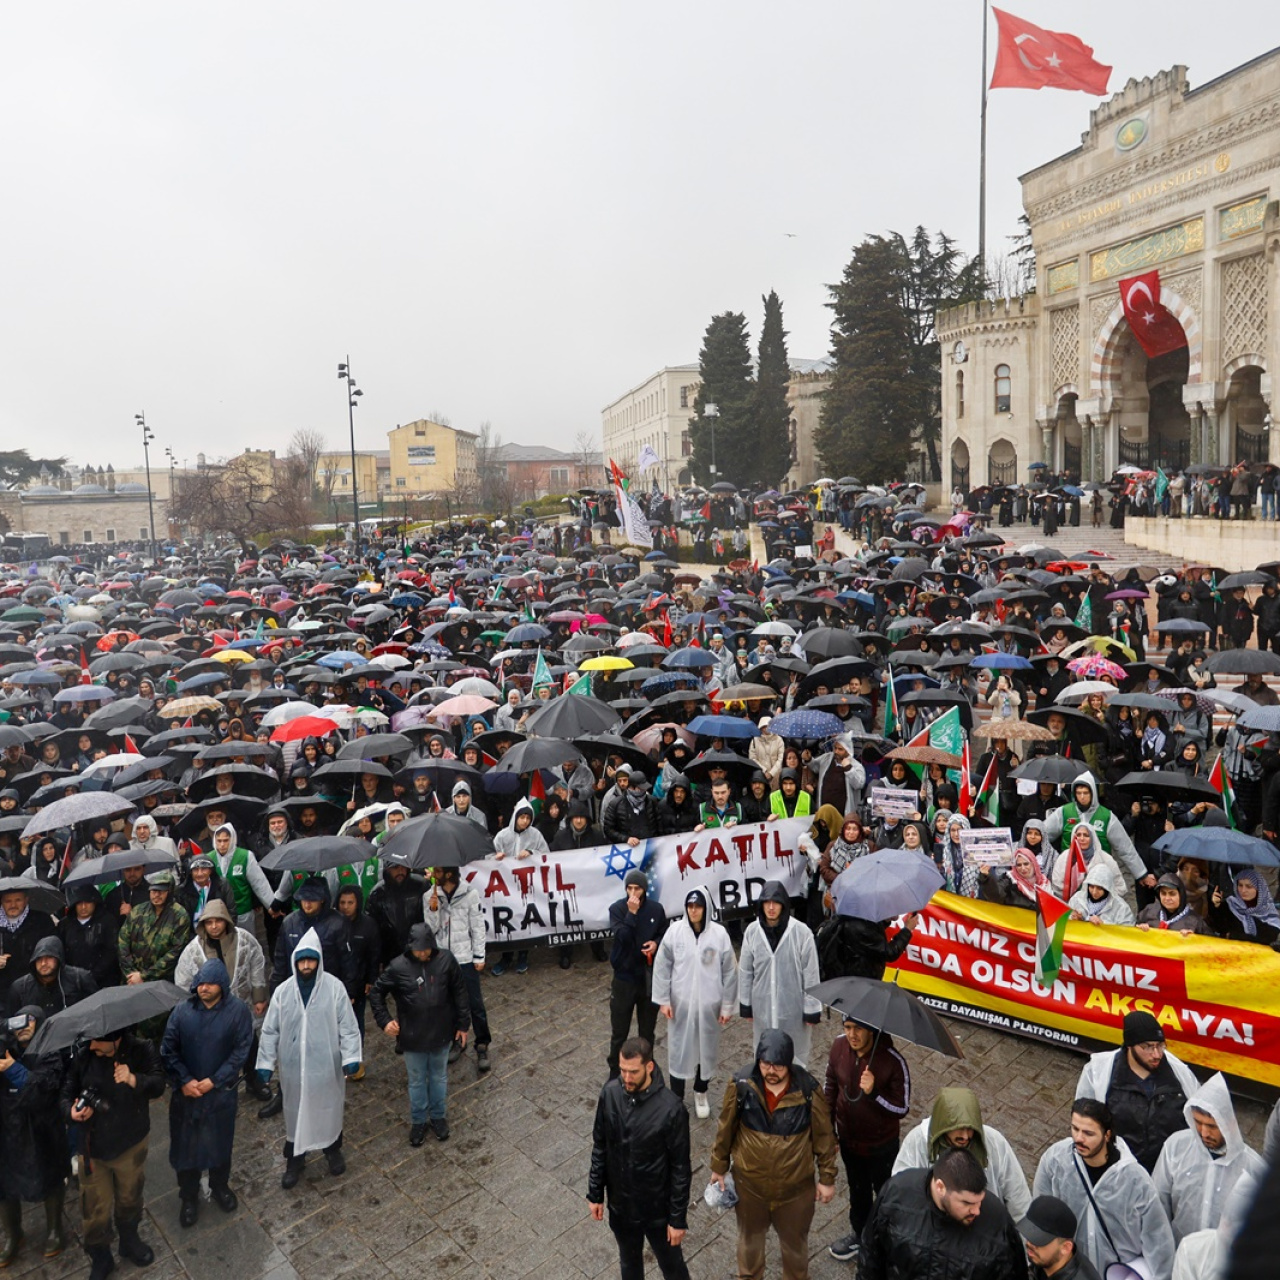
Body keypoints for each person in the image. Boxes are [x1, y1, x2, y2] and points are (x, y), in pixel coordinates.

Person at [709, 1029, 838, 1280]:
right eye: (766, 1063)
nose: (771, 1071)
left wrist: (827, 1179)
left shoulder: (809, 1090)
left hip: (796, 1192)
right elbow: (726, 1128)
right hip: (750, 1189)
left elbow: (824, 1137)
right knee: (749, 1247)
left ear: (789, 1064)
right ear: (758, 1060)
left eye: (779, 1066)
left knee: (795, 1251)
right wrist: (718, 1167)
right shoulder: (741, 1084)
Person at [256, 928, 362, 1188]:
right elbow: (270, 1030)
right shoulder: (282, 992)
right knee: (295, 1113)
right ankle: (296, 1159)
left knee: (328, 1111)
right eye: (301, 960)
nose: (306, 965)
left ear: (319, 960)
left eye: (310, 960)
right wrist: (265, 1063)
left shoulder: (334, 989)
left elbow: (348, 1026)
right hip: (293, 1069)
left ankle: (332, 1149)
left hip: (326, 1066)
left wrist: (351, 1056)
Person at [62, 1026, 166, 1280]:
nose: (92, 1046)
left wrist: (134, 1080)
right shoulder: (83, 1056)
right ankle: (101, 1257)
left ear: (115, 1040)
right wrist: (72, 1111)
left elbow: (159, 1084)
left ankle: (129, 1241)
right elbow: (65, 1094)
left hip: (131, 1143)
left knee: (130, 1197)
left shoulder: (142, 1049)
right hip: (93, 1149)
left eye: (98, 1042)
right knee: (94, 1208)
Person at [1032, 1098, 1176, 1280]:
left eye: (1088, 1133)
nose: (1079, 1138)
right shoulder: (1055, 1160)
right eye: (1075, 1129)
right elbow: (1040, 1215)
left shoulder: (1135, 1180)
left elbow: (1158, 1239)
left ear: (1107, 1135)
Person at [587, 1037, 692, 1280]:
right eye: (622, 1070)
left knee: (673, 1269)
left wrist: (677, 1219)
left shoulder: (672, 1109)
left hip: (658, 1211)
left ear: (650, 1067)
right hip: (622, 1207)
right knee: (629, 1265)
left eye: (633, 1072)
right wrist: (595, 1193)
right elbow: (600, 1146)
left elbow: (680, 1168)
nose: (626, 1078)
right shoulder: (610, 1094)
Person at [160, 957, 254, 1227]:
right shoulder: (181, 1012)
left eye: (211, 983)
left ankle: (220, 1186)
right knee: (186, 1149)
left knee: (220, 1145)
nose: (204, 988)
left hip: (219, 1096)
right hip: (186, 1098)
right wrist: (185, 1081)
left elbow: (240, 1051)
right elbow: (168, 1050)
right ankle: (189, 1197)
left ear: (222, 985)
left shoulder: (237, 1012)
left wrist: (214, 1080)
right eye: (201, 983)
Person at [369, 922, 469, 1146]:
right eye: (418, 949)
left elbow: (460, 991)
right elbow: (376, 993)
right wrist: (385, 1021)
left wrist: (463, 1024)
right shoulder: (397, 967)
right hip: (413, 1036)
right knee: (416, 1081)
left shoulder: (447, 960)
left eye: (426, 949)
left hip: (442, 1032)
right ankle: (418, 1121)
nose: (422, 953)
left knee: (438, 1077)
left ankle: (438, 1116)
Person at [859, 1147, 1026, 1280]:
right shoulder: (896, 1195)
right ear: (940, 1188)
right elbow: (871, 1255)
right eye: (966, 1203)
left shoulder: (996, 1218)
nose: (977, 1211)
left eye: (980, 1201)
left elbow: (1012, 1271)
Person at [824, 1017, 911, 1264]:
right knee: (857, 1191)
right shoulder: (838, 1047)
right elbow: (831, 1086)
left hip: (881, 1146)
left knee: (886, 1194)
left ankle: (886, 1241)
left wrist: (874, 1094)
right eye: (847, 1028)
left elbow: (901, 1107)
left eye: (858, 1029)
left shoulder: (894, 1062)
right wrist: (828, 1130)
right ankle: (859, 1234)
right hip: (849, 1142)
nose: (852, 1035)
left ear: (871, 1030)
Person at [1074, 1010, 1199, 1175]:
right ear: (1129, 1045)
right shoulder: (1098, 1073)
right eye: (1147, 1047)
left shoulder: (1180, 1074)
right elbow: (1085, 1122)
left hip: (1169, 1173)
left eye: (1160, 1045)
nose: (1156, 1054)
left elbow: (1199, 1118)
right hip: (1120, 1172)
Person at [650, 886, 738, 1117]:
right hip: (681, 1007)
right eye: (690, 906)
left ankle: (701, 1091)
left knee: (706, 1050)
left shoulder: (719, 935)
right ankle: (676, 1097)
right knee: (679, 1050)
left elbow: (729, 971)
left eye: (698, 906)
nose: (694, 910)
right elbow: (662, 966)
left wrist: (728, 1005)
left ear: (706, 907)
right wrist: (663, 1000)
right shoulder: (674, 932)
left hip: (710, 1006)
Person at [172, 897, 269, 1100]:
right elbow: (183, 981)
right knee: (218, 1053)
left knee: (250, 1045)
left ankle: (254, 1081)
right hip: (211, 1013)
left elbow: (257, 964)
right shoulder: (193, 951)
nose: (214, 926)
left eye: (218, 921)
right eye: (209, 922)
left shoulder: (244, 940)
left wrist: (259, 995)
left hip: (243, 1006)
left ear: (226, 921)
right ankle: (223, 1090)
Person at [1151, 1073, 1265, 1243]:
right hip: (1178, 1251)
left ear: (1230, 1123)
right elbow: (1158, 1203)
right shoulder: (1176, 1147)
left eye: (1212, 1126)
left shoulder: (1254, 1169)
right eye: (1198, 1122)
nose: (1204, 1133)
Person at [892, 1086, 1032, 1222]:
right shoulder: (917, 1142)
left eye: (970, 1129)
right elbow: (902, 1190)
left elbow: (1018, 1197)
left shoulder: (994, 1142)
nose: (965, 1136)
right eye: (958, 1129)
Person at [0, 1007, 70, 1265]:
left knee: (50, 1177)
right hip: (7, 1129)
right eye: (19, 1022)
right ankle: (12, 1234)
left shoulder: (51, 1051)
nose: (25, 1026)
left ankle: (54, 1230)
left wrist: (12, 1069)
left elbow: (44, 1088)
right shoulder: (6, 1045)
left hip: (41, 1129)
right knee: (4, 1185)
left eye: (31, 1021)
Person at [738, 880, 822, 1068]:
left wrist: (811, 1009)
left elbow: (811, 972)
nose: (771, 907)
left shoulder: (801, 933)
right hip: (762, 1006)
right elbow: (745, 971)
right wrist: (746, 1004)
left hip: (792, 1007)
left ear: (783, 904)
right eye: (766, 902)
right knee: (765, 1055)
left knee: (794, 1056)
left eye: (775, 902)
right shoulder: (752, 932)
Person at [422, 866, 490, 1071]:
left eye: (438, 871)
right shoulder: (429, 896)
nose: (434, 875)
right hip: (442, 960)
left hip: (465, 958)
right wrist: (433, 910)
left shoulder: (470, 894)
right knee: (448, 1004)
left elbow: (477, 927)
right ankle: (457, 1040)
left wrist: (479, 956)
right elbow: (429, 930)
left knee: (475, 1004)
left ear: (449, 874)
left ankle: (482, 1043)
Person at [606, 869, 667, 1078]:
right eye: (629, 888)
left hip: (647, 978)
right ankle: (615, 1073)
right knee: (619, 1033)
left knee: (647, 1031)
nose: (633, 892)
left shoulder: (656, 909)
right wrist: (631, 914)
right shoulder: (617, 909)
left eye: (637, 888)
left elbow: (663, 931)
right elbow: (622, 936)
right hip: (624, 979)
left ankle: (646, 1070)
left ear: (644, 889)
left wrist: (656, 943)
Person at [116, 869, 193, 988]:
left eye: (161, 892)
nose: (156, 895)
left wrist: (144, 976)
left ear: (170, 892)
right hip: (131, 980)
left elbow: (175, 952)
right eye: (153, 891)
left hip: (162, 982)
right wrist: (131, 974)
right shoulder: (138, 911)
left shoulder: (180, 916)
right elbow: (123, 941)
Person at [7, 935, 97, 1017]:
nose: (43, 963)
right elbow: (11, 1022)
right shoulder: (21, 987)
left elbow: (95, 1013)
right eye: (39, 959)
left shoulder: (80, 978)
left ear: (59, 958)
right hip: (36, 1033)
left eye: (49, 957)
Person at [1018, 1195, 1102, 1280]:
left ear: (1066, 1247)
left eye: (1039, 1240)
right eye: (1030, 1235)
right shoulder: (1045, 1262)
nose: (1029, 1243)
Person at [0, 887, 55, 1009]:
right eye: (8, 901)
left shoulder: (42, 921)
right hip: (2, 993)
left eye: (18, 900)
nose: (13, 905)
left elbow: (54, 950)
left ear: (26, 900)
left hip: (34, 988)